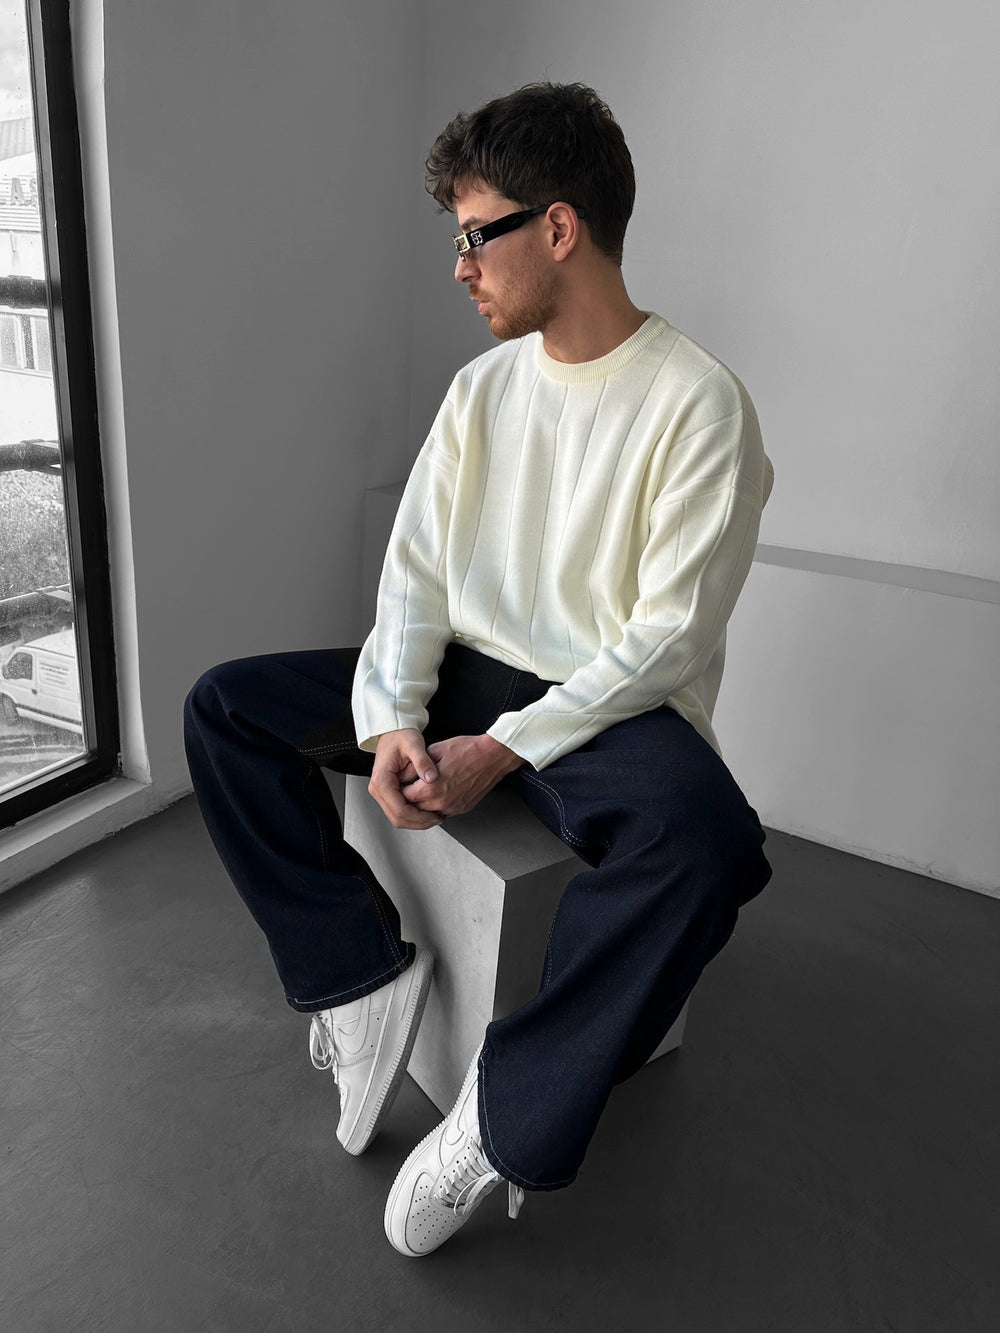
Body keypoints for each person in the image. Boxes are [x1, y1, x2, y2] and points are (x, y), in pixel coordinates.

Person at [184, 81, 774, 1258]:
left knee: (709, 843)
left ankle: (504, 1119)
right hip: (465, 672)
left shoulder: (698, 403)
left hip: (607, 708)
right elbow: (416, 577)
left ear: (557, 228)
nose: (459, 267)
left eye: (474, 235)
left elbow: (665, 636)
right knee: (225, 707)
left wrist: (504, 749)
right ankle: (357, 979)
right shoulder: (481, 391)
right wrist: (395, 718)